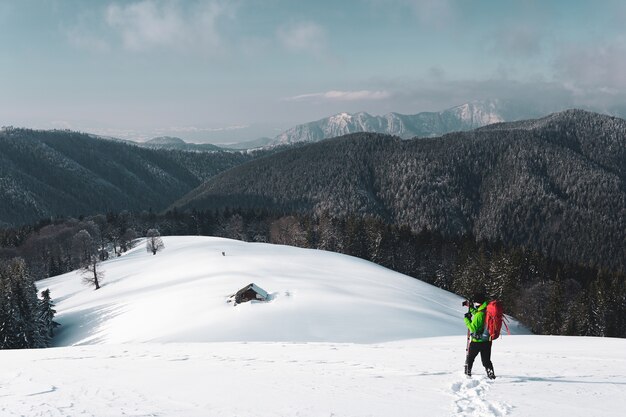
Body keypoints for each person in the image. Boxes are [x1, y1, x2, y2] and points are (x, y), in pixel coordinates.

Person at [463, 292, 496, 379]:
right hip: (487, 341)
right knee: (486, 361)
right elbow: (479, 314)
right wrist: (470, 308)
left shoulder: (479, 314)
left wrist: (466, 319)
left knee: (470, 357)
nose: (474, 303)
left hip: (477, 341)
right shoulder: (486, 310)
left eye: (475, 302)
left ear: (478, 303)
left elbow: (473, 327)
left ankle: (467, 372)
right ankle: (491, 375)